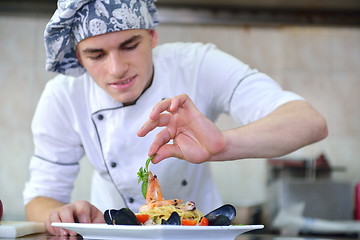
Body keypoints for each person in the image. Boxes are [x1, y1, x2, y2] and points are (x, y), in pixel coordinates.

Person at [23, 0, 328, 236]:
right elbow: (40, 198)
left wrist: (221, 144)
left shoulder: (196, 65)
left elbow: (309, 122)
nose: (116, 69)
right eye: (96, 54)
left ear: (153, 36)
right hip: (113, 237)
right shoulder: (64, 96)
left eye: (130, 46)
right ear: (78, 56)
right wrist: (61, 215)